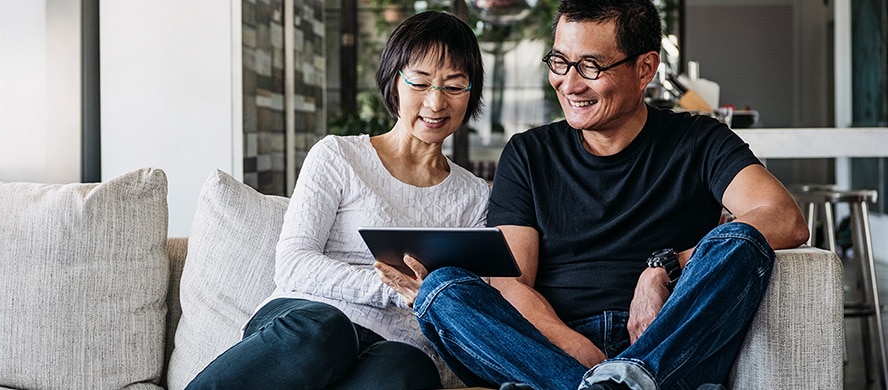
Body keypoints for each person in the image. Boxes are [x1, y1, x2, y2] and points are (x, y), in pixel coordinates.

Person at [376, 1, 810, 389]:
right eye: (560, 62)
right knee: (442, 289)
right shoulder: (529, 153)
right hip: (551, 344)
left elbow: (784, 219)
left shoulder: (698, 139)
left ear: (645, 69)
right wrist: (576, 349)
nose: (569, 84)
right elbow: (512, 281)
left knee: (738, 240)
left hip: (669, 337)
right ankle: (611, 384)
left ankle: (622, 376)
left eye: (591, 67)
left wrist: (665, 267)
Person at [186, 10, 487, 389]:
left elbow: (467, 299)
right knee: (328, 331)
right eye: (421, 82)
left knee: (408, 369)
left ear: (470, 93)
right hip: (305, 326)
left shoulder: (475, 196)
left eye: (454, 86)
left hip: (395, 345)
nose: (435, 102)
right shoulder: (338, 156)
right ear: (395, 82)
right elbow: (293, 264)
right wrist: (394, 290)